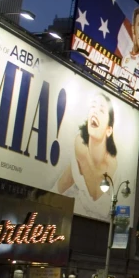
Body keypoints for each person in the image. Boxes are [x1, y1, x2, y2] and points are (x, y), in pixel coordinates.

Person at [54, 93, 120, 221]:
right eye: (93, 106)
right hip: (73, 221)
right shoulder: (79, 148)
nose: (95, 111)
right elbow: (60, 186)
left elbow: (124, 218)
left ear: (109, 130)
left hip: (103, 232)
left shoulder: (117, 170)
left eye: (101, 110)